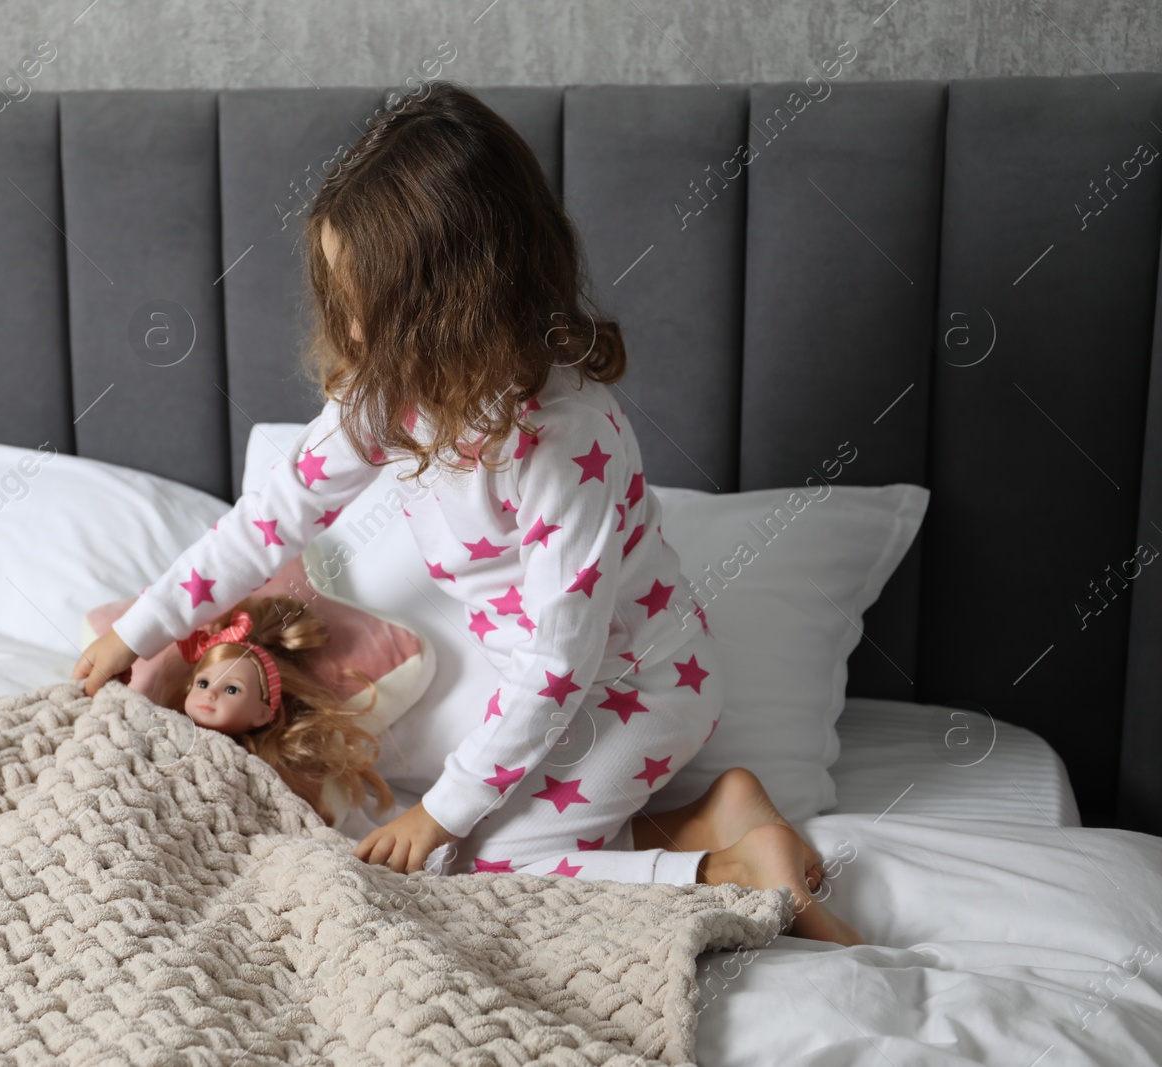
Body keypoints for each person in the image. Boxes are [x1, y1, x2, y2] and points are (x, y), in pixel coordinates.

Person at [75, 80, 861, 946]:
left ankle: (727, 870)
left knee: (482, 867)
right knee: (465, 835)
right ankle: (718, 814)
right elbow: (270, 518)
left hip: (636, 688)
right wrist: (145, 628)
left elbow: (562, 660)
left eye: (363, 306)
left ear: (450, 304)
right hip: (540, 682)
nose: (350, 334)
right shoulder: (390, 396)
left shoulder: (564, 441)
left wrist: (443, 815)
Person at [150, 595, 396, 829]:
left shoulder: (253, 764)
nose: (211, 694)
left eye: (232, 689)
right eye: (203, 683)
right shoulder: (163, 725)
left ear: (263, 714)